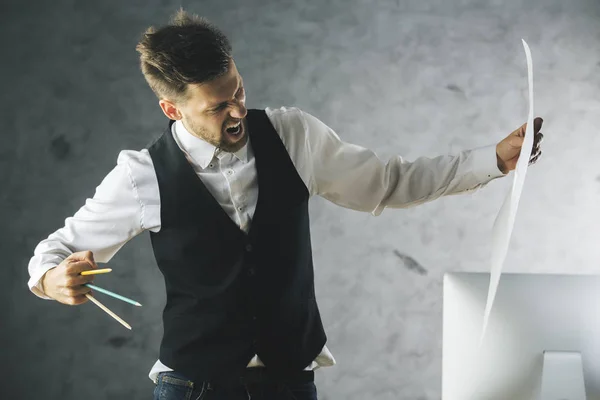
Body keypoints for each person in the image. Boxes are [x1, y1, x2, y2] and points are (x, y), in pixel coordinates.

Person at [26, 8, 544, 400]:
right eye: (218, 106)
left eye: (240, 92)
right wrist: (54, 279)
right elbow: (57, 249)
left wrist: (492, 160)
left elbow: (389, 181)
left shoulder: (293, 135)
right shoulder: (141, 175)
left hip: (289, 381)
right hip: (194, 386)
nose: (237, 112)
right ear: (171, 108)